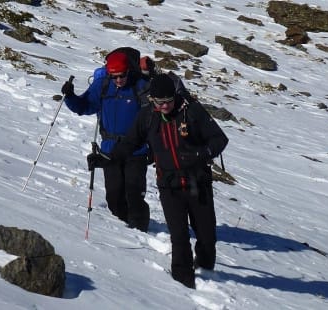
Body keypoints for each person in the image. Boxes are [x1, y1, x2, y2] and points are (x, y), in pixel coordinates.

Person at [105, 73, 229, 288]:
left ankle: (206, 269)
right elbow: (130, 143)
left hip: (197, 183)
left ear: (175, 97)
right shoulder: (147, 117)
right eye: (158, 102)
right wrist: (107, 158)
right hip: (169, 185)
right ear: (152, 100)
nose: (164, 106)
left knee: (207, 237)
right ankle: (183, 284)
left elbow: (220, 139)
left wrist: (200, 155)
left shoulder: (192, 111)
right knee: (179, 237)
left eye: (168, 101)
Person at [61, 50, 150, 232]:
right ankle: (125, 227)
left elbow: (152, 118)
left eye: (122, 76)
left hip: (136, 150)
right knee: (114, 197)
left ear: (128, 71)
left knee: (134, 194)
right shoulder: (102, 85)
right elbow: (85, 106)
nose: (118, 80)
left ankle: (141, 232)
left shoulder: (141, 86)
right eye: (114, 76)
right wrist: (70, 97)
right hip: (110, 149)